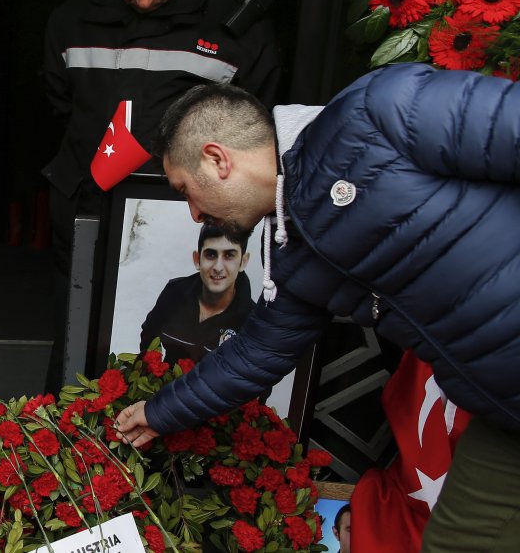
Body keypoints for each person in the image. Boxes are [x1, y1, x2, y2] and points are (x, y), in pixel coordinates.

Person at [114, 64, 520, 550]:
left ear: (217, 159)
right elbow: (257, 355)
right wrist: (160, 412)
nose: (194, 214)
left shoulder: (379, 109)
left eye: (185, 191)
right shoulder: (290, 252)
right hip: (501, 409)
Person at [42, 0, 279, 384]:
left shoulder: (236, 19)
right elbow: (58, 104)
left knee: (161, 338)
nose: (144, 1)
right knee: (76, 330)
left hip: (187, 213)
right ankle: (64, 433)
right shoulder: (74, 18)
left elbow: (257, 127)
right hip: (87, 202)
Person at [139, 223, 253, 364]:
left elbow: (254, 378)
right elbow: (149, 335)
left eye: (229, 255)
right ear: (197, 260)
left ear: (243, 261)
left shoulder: (251, 321)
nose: (218, 267)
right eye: (210, 255)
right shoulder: (174, 293)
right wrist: (151, 374)